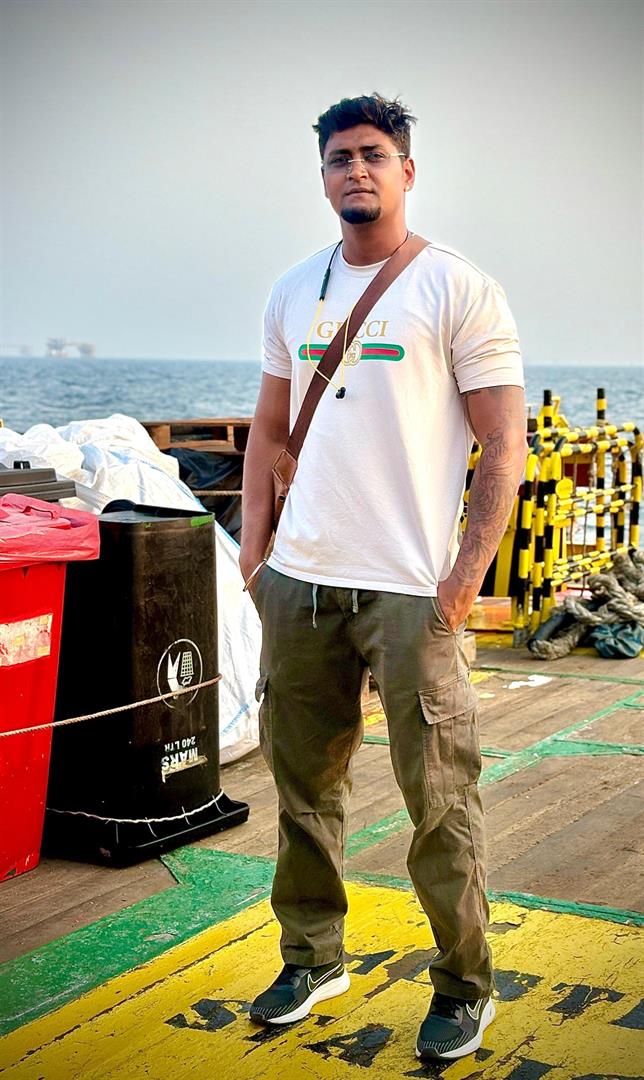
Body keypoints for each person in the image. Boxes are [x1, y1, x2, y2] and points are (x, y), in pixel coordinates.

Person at [239, 92, 526, 1064]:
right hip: (300, 582)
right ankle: (312, 958)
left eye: (371, 154)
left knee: (439, 802)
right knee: (302, 793)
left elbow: (502, 447)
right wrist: (254, 552)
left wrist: (459, 586)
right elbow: (268, 429)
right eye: (337, 158)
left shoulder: (457, 288)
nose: (353, 170)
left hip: (411, 590)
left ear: (407, 170)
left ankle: (465, 984)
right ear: (321, 176)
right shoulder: (293, 291)